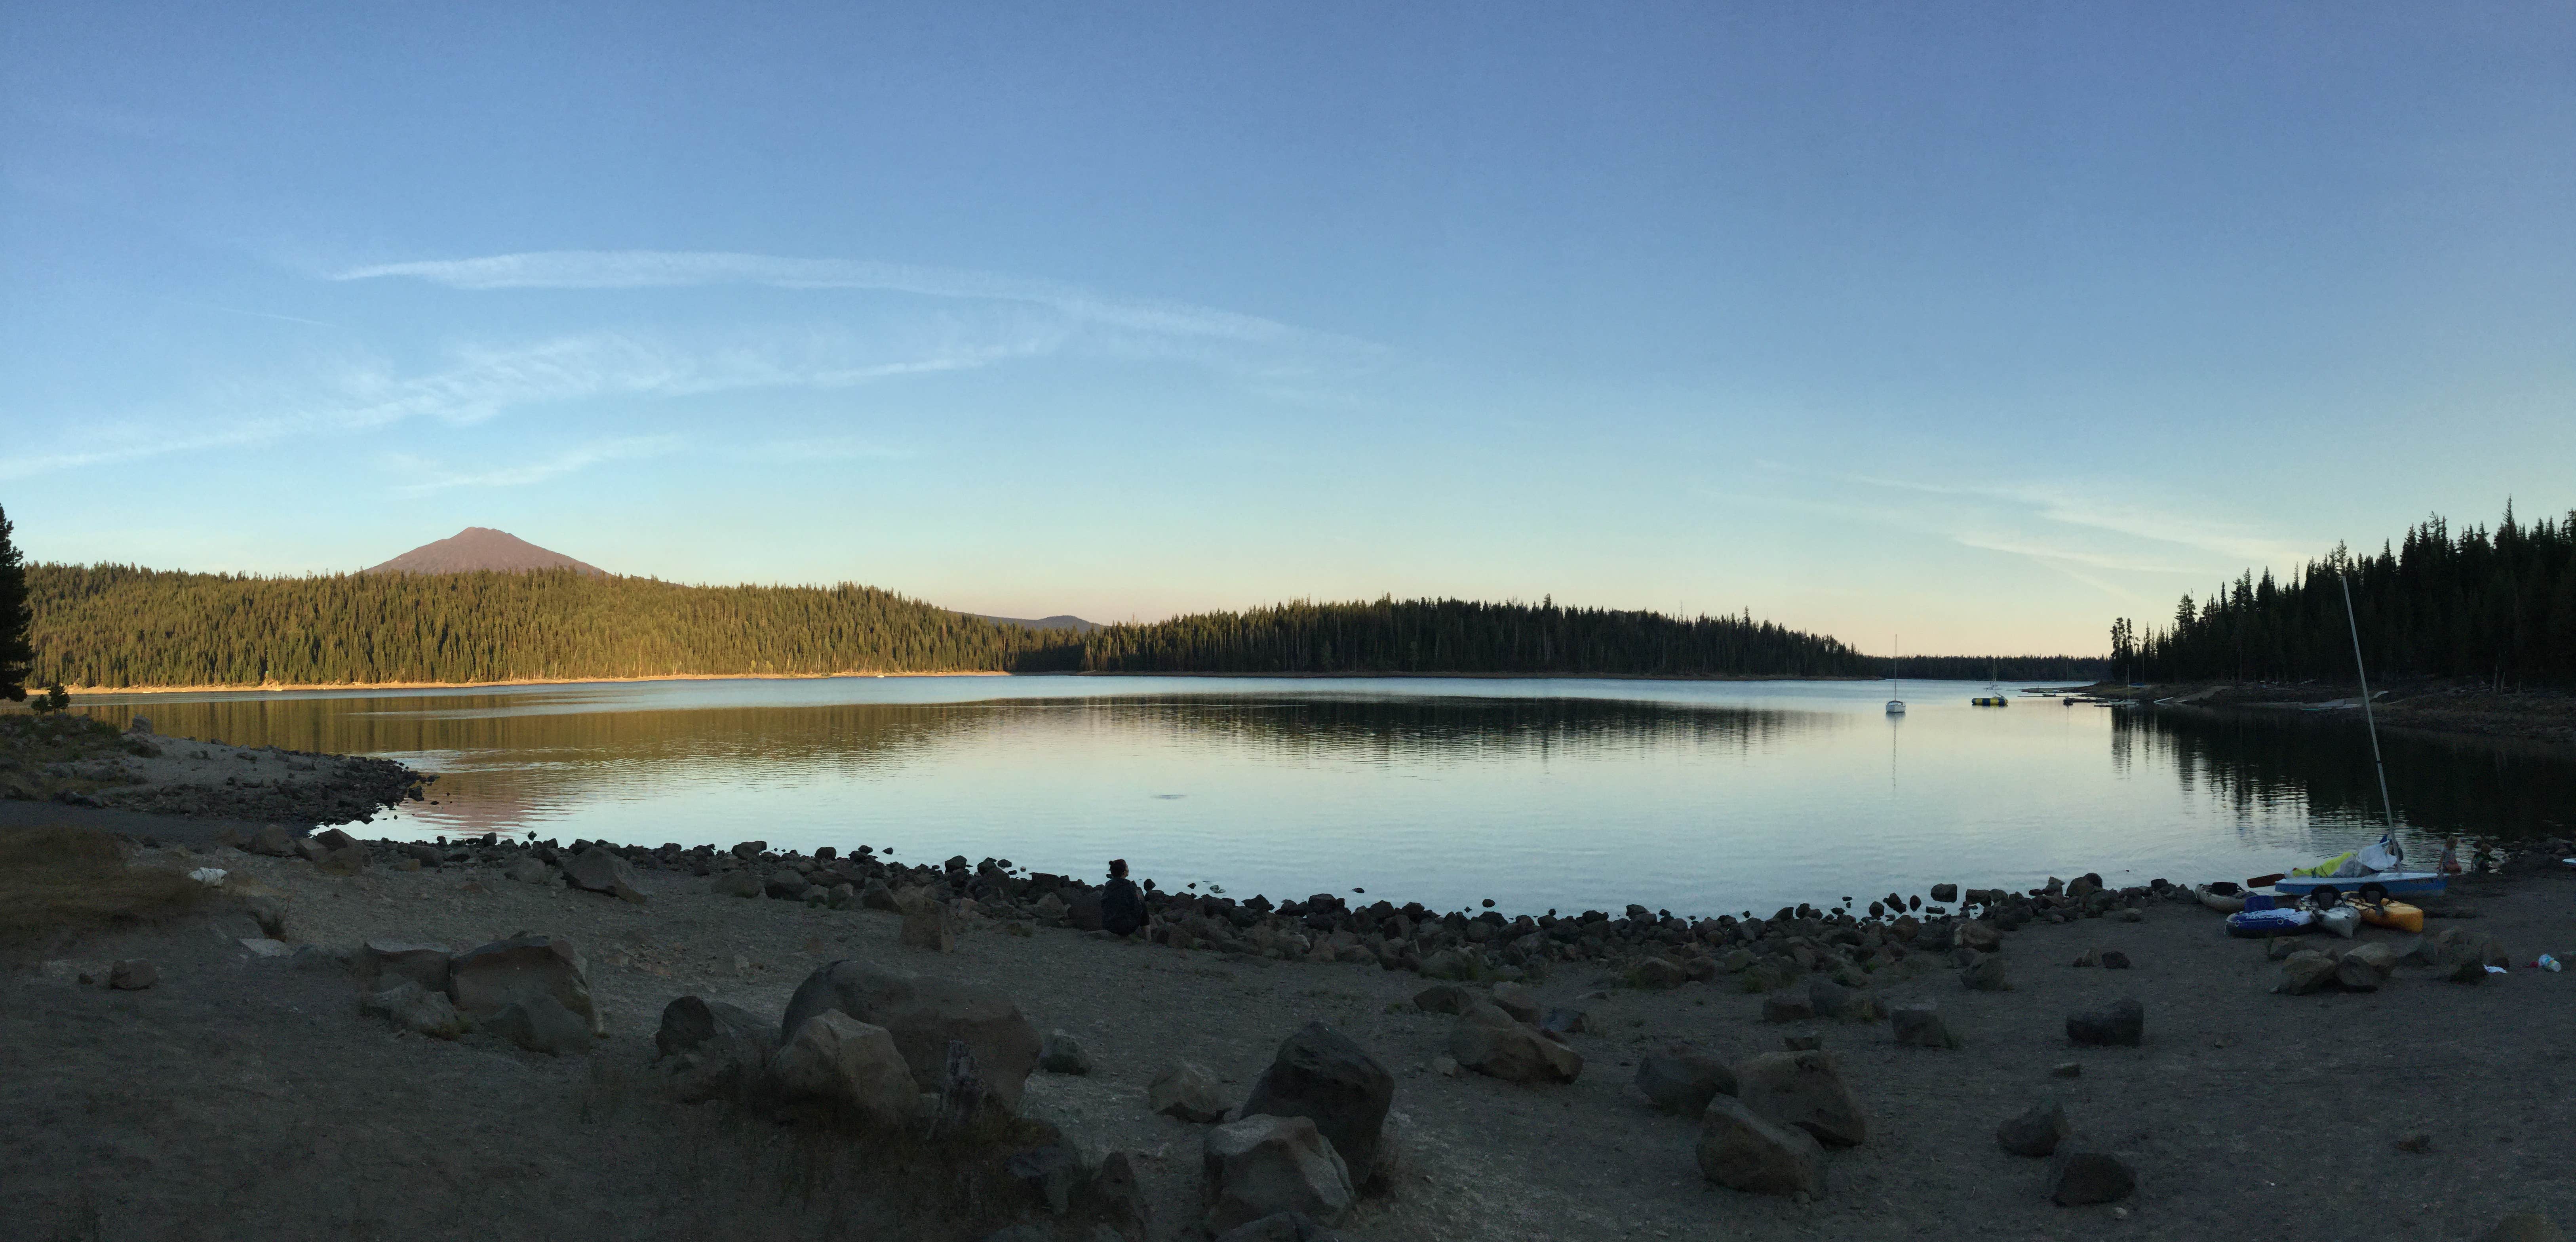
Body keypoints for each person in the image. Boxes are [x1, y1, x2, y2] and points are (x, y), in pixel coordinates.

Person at [1100, 858, 1146, 937]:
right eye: (1127, 867)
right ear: (1124, 872)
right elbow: (1136, 908)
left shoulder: (1108, 885)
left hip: (1107, 924)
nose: (1128, 869)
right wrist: (1138, 900)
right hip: (1125, 927)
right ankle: (1148, 938)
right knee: (1143, 907)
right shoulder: (1129, 886)